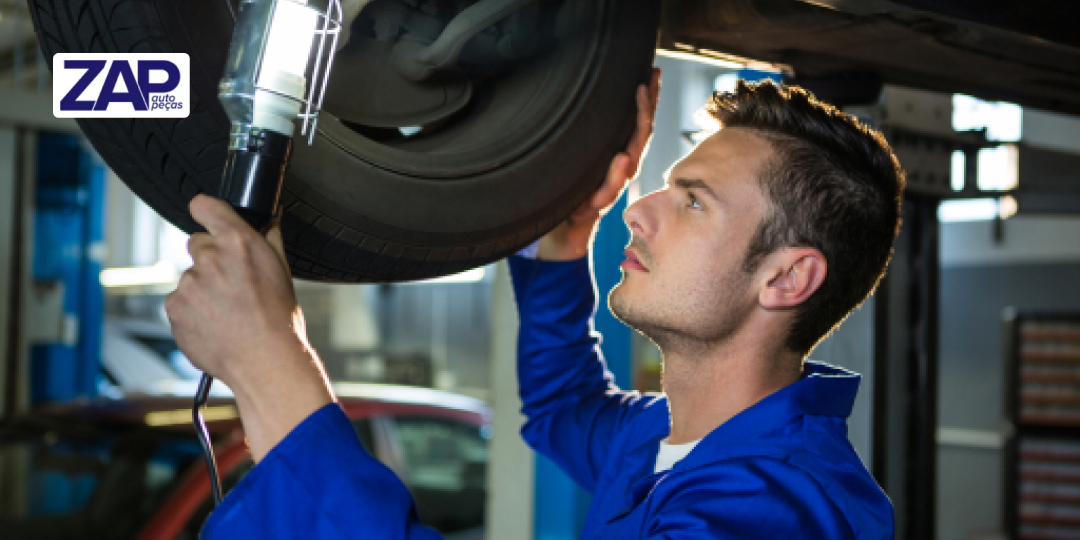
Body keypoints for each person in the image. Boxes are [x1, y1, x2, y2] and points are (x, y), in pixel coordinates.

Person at [165, 70, 902, 539]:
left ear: (786, 280)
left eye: (694, 202)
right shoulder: (666, 440)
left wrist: (273, 365)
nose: (640, 210)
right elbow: (560, 406)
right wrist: (564, 245)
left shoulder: (778, 509)